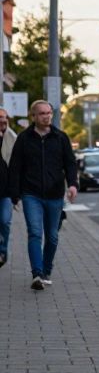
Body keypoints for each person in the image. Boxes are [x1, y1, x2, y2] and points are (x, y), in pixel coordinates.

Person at [8, 100, 78, 291]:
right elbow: (15, 167)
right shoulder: (24, 139)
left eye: (49, 113)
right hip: (31, 194)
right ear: (34, 116)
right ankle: (37, 273)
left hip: (55, 194)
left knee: (52, 236)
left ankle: (46, 270)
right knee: (35, 232)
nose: (46, 117)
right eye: (42, 114)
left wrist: (72, 184)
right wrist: (15, 194)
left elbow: (70, 163)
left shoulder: (60, 137)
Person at [0, 108, 16, 268]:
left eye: (5, 117)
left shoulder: (11, 138)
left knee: (5, 222)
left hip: (6, 192)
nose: (3, 120)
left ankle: (3, 250)